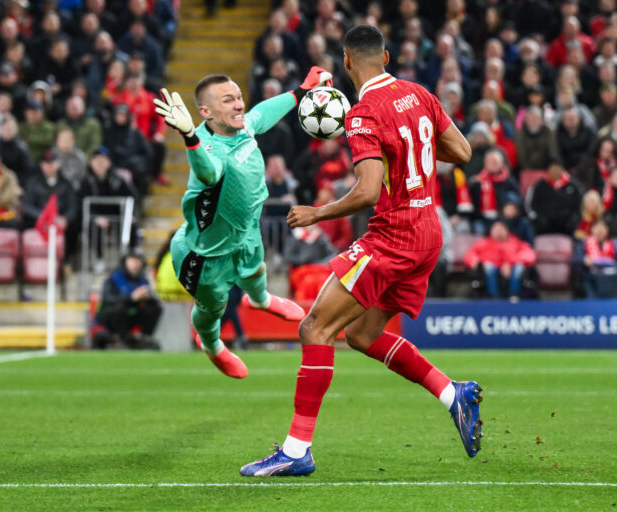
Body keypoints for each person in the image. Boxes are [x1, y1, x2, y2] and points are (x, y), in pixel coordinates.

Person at [240, 25, 480, 478]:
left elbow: (369, 191)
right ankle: (454, 394)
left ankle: (296, 450)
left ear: (346, 62)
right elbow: (463, 152)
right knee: (362, 336)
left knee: (315, 328)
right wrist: (411, 154)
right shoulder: (420, 94)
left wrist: (318, 213)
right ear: (385, 57)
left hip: (393, 235)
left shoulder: (363, 113)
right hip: (429, 232)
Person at [152, 68, 330, 378]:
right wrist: (189, 137)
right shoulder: (207, 147)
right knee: (212, 311)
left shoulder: (242, 126)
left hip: (245, 230)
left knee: (257, 268)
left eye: (238, 97)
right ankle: (212, 346)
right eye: (228, 100)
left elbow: (261, 113)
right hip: (207, 253)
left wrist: (300, 92)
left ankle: (260, 299)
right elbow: (209, 173)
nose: (239, 105)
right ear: (206, 112)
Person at [93, 252, 162, 350]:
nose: (136, 264)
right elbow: (107, 299)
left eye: (139, 260)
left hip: (131, 316)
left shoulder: (143, 281)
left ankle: (143, 336)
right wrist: (131, 297)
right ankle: (124, 339)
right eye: (133, 260)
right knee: (119, 308)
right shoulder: (113, 279)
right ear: (125, 262)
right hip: (111, 318)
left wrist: (147, 298)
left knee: (155, 307)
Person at [463, 220, 536, 299]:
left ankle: (514, 295)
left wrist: (510, 263)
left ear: (507, 231)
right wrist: (474, 260)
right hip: (492, 269)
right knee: (488, 266)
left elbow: (530, 255)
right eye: (496, 229)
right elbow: (470, 254)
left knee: (519, 267)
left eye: (501, 229)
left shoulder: (516, 242)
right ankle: (494, 296)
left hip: (511, 270)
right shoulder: (483, 243)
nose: (499, 232)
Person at [575, 220, 617, 298]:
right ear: (592, 229)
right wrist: (584, 259)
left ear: (607, 230)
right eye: (597, 228)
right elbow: (574, 259)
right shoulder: (584, 242)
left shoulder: (614, 243)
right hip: (591, 272)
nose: (599, 231)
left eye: (602, 228)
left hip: (612, 274)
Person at [527, 161, 583, 236]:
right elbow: (532, 205)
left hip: (567, 224)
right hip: (545, 225)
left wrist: (574, 218)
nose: (555, 172)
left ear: (562, 170)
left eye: (557, 169)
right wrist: (539, 218)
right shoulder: (540, 186)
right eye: (552, 169)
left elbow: (580, 203)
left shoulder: (573, 185)